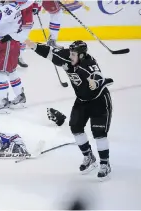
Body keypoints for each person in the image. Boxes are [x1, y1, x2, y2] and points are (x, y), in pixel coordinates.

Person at [25, 39, 113, 180]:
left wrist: (95, 82)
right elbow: (50, 53)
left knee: (99, 133)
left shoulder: (88, 64)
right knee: (75, 127)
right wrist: (33, 46)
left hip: (99, 101)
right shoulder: (68, 57)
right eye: (70, 53)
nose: (70, 56)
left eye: (73, 54)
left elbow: (101, 78)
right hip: (82, 101)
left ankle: (105, 163)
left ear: (82, 56)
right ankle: (89, 157)